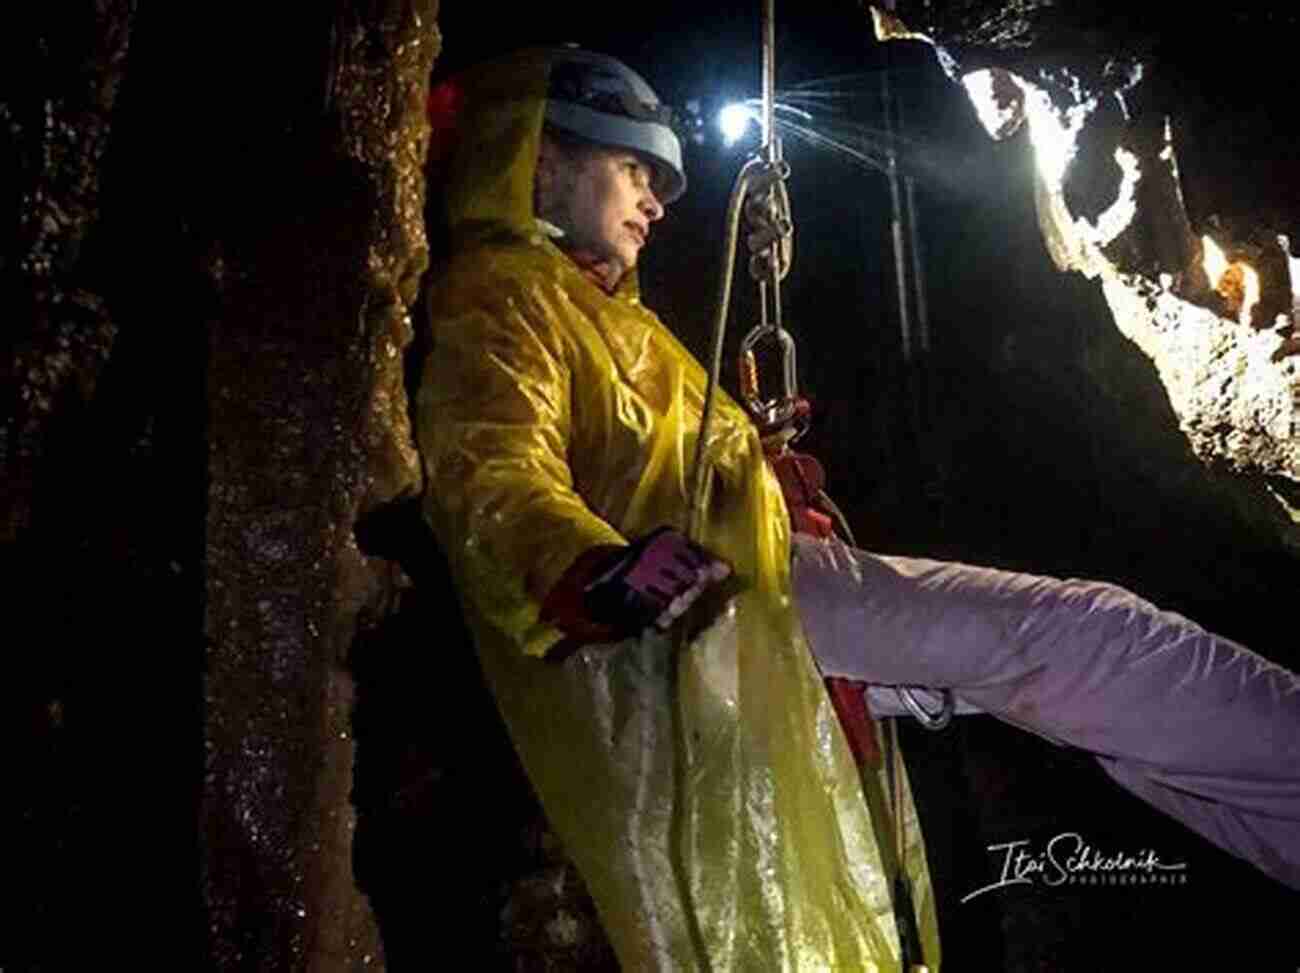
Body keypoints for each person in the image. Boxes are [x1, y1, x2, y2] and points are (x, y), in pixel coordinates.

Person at [417, 46, 1300, 971]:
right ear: (542, 159)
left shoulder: (609, 318)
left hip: (753, 609)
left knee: (1092, 692)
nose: (658, 201)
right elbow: (488, 465)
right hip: (736, 610)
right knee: (1095, 639)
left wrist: (748, 460)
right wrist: (584, 567)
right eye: (635, 168)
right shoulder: (505, 296)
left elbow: (630, 460)